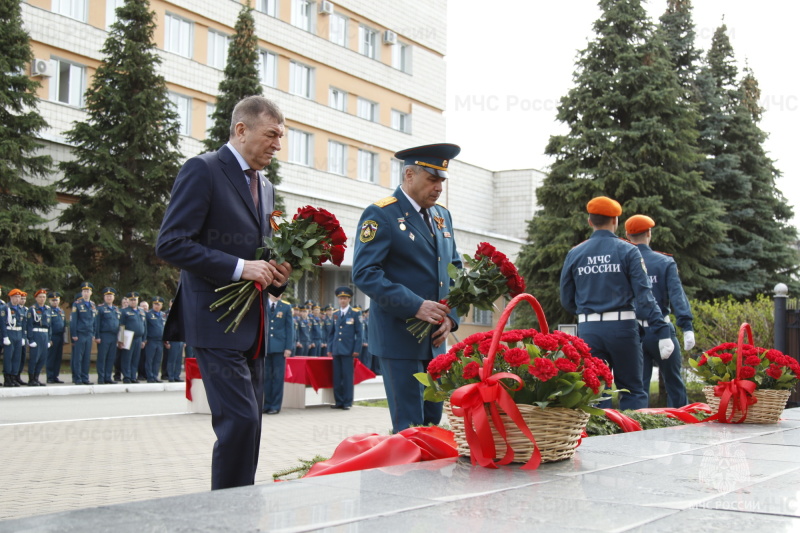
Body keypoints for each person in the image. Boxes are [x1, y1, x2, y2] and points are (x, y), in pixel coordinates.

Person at [156, 95, 291, 490]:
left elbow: (260, 252)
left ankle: (241, 506)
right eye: (271, 135)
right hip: (214, 321)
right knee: (240, 421)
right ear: (241, 129)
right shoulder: (204, 169)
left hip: (253, 325)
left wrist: (277, 274)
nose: (277, 146)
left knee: (252, 426)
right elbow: (172, 243)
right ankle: (227, 514)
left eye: (280, 137)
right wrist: (239, 268)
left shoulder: (264, 185)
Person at [353, 143, 462, 433]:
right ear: (410, 174)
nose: (438, 187)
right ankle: (407, 479)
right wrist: (416, 305)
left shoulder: (442, 216)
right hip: (400, 339)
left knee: (432, 424)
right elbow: (365, 274)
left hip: (436, 341)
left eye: (441, 180)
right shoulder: (381, 214)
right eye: (432, 179)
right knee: (410, 428)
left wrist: (452, 319)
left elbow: (456, 273)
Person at [560, 197, 674, 410]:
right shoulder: (628, 250)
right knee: (632, 389)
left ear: (589, 221)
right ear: (616, 220)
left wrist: (589, 313)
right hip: (623, 328)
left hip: (589, 329)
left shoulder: (575, 253)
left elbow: (567, 299)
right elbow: (645, 296)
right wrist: (662, 330)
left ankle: (598, 437)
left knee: (595, 390)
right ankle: (632, 439)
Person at [625, 215, 695, 407]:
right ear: (649, 233)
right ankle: (683, 424)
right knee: (674, 383)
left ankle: (639, 428)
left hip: (634, 332)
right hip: (661, 329)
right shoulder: (664, 262)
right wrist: (687, 326)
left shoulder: (623, 261)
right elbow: (677, 295)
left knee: (638, 388)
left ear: (627, 235)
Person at [326, 287, 363, 410]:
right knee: (337, 377)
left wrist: (356, 349)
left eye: (345, 298)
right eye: (340, 298)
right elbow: (332, 333)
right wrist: (330, 348)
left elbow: (359, 333)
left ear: (349, 299)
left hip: (348, 350)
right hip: (337, 349)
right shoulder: (336, 314)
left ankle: (347, 402)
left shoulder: (355, 313)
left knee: (347, 377)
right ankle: (339, 401)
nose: (342, 300)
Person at [263, 294, 294, 414]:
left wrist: (288, 347)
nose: (278, 293)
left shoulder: (286, 306)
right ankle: (266, 404)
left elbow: (289, 328)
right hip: (265, 347)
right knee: (266, 377)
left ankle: (275, 405)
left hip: (279, 347)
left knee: (277, 377)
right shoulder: (263, 303)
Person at [70, 282, 97, 385]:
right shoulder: (77, 304)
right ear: (82, 293)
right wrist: (74, 334)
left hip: (89, 334)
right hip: (80, 334)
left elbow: (94, 320)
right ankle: (77, 378)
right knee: (78, 357)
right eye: (84, 291)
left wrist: (94, 333)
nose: (86, 293)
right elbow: (74, 321)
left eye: (88, 291)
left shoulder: (93, 305)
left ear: (91, 292)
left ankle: (85, 378)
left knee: (86, 357)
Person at [25, 289, 52, 386]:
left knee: (42, 358)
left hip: (44, 335)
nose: (42, 299)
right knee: (34, 358)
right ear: (36, 298)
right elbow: (29, 325)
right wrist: (30, 339)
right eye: (40, 297)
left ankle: (36, 378)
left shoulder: (48, 309)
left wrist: (49, 339)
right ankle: (31, 379)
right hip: (36, 335)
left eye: (44, 297)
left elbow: (50, 326)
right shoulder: (32, 309)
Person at [118, 292, 146, 383]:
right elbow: (121, 326)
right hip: (128, 337)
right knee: (127, 358)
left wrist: (144, 340)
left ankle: (133, 376)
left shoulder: (141, 311)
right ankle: (127, 376)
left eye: (135, 299)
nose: (133, 301)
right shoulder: (124, 311)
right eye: (131, 300)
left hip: (139, 338)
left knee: (135, 358)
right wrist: (121, 340)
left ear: (138, 300)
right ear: (129, 301)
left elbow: (144, 326)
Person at [94, 287, 121, 384]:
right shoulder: (100, 308)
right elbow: (97, 323)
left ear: (114, 297)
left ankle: (108, 377)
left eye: (111, 296)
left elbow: (119, 325)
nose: (109, 297)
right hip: (104, 335)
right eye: (107, 296)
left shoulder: (116, 309)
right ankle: (101, 378)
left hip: (114, 336)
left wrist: (120, 338)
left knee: (111, 357)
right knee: (102, 357)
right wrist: (97, 336)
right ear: (104, 297)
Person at [4, 289, 26, 387]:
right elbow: (2, 324)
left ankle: (14, 376)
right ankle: (7, 378)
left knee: (17, 357)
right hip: (9, 332)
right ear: (11, 297)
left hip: (18, 333)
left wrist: (23, 337)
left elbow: (23, 324)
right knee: (9, 357)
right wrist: (4, 336)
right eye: (15, 297)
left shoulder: (21, 309)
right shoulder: (5, 308)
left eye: (19, 297)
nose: (17, 299)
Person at [144, 297, 166, 383]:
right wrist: (145, 339)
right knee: (150, 359)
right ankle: (150, 377)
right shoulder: (148, 314)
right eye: (155, 304)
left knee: (157, 360)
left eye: (158, 304)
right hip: (151, 340)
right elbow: (145, 327)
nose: (156, 306)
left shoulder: (163, 315)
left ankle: (155, 375)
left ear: (161, 305)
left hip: (160, 341)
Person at [46, 292, 66, 384]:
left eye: (56, 300)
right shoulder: (48, 311)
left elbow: (64, 325)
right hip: (52, 336)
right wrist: (49, 339)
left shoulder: (61, 311)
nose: (55, 302)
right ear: (49, 301)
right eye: (53, 300)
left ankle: (55, 376)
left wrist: (64, 338)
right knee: (51, 357)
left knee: (58, 357)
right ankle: (50, 376)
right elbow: (48, 325)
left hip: (60, 336)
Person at [163, 298, 185, 382]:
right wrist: (166, 340)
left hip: (180, 340)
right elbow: (165, 327)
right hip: (172, 340)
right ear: (170, 304)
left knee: (178, 359)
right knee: (171, 359)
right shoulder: (166, 314)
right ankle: (170, 376)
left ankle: (177, 376)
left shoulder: (181, 313)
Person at [113, 295, 129, 382]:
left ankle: (127, 374)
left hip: (129, 336)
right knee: (118, 357)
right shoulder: (119, 311)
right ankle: (117, 374)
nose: (126, 304)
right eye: (124, 302)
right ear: (121, 304)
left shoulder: (131, 311)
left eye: (127, 302)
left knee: (127, 357)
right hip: (120, 335)